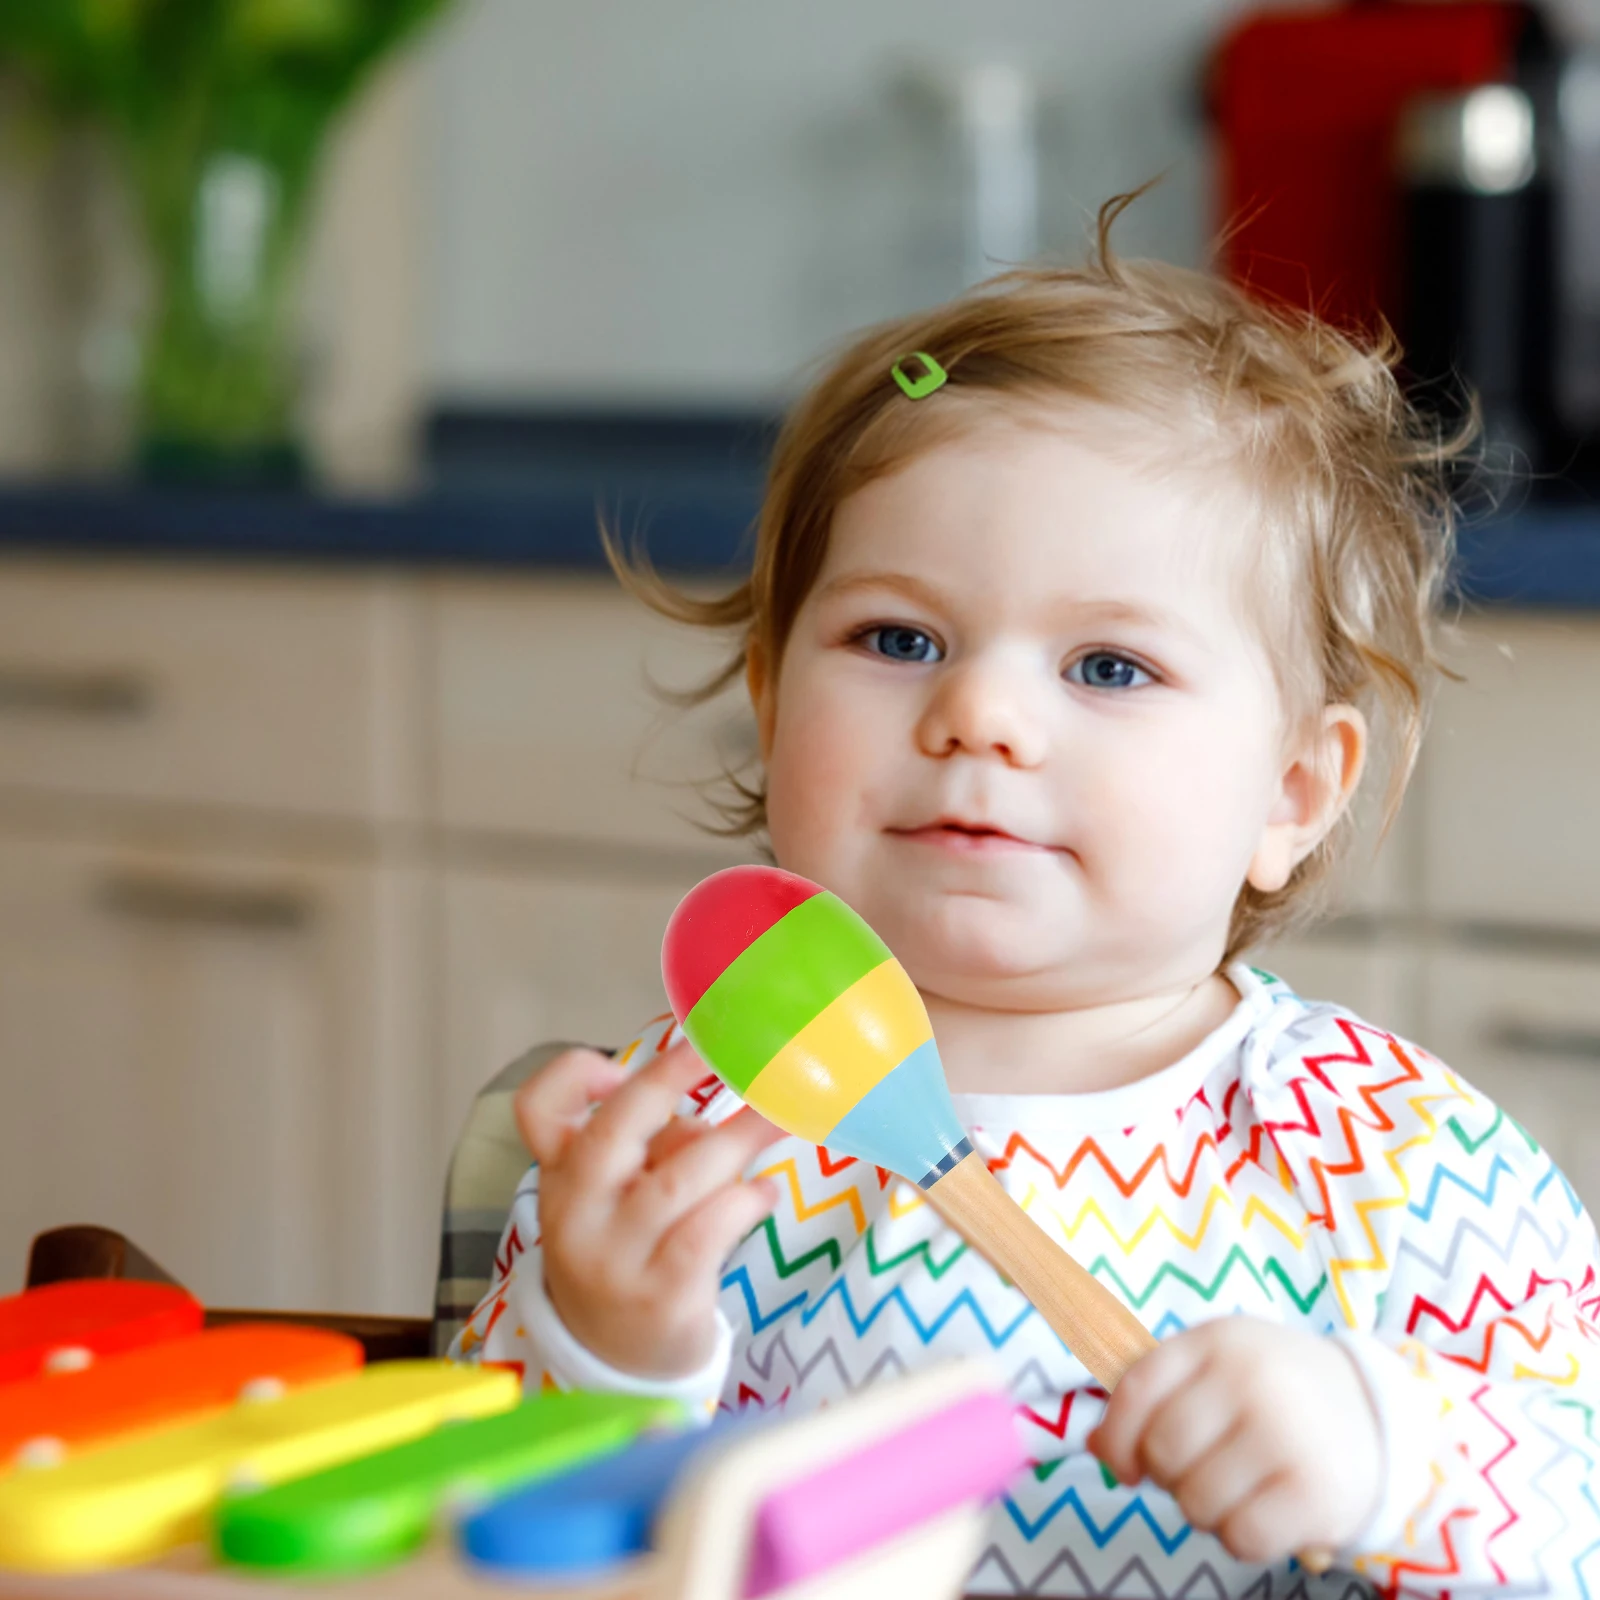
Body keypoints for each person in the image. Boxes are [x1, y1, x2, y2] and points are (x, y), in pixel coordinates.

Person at [450, 196, 1600, 1596]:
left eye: (1109, 666)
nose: (978, 712)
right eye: (898, 636)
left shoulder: (1394, 1160)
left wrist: (1390, 1450)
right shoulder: (685, 1132)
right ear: (769, 697)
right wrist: (609, 1352)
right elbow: (482, 1536)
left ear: (1294, 790)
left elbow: (1574, 1498)